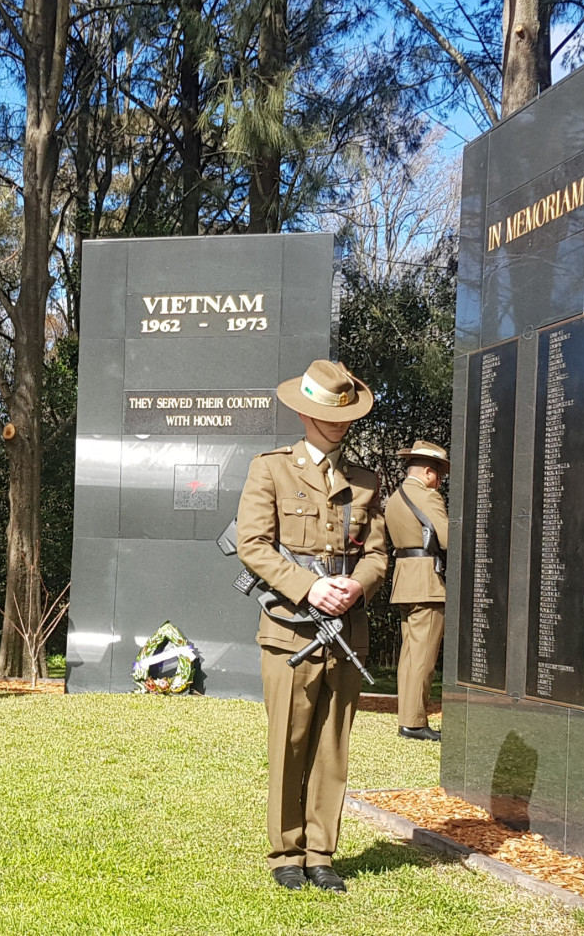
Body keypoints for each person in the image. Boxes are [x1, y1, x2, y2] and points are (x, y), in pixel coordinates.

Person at [236, 360, 390, 893]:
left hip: (346, 633)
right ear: (305, 414)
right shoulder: (271, 469)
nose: (340, 424)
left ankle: (321, 853)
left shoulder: (365, 481)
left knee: (333, 746)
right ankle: (286, 853)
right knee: (289, 742)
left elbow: (378, 554)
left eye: (346, 415)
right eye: (330, 414)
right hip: (290, 631)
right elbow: (254, 545)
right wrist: (308, 587)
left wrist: (358, 585)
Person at [387, 439, 450, 741]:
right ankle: (414, 723)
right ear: (427, 472)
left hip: (404, 580)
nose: (440, 482)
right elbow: (447, 538)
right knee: (423, 658)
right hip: (427, 583)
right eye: (439, 475)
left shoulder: (395, 498)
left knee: (410, 655)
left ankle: (408, 717)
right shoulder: (428, 496)